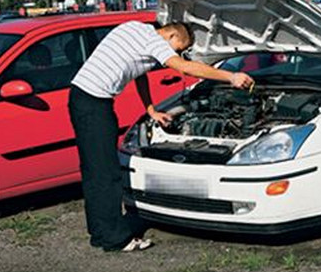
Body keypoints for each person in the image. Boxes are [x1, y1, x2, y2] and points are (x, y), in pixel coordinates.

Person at [68, 21, 254, 252]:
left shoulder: (134, 28)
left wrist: (151, 110)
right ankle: (115, 238)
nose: (175, 53)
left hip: (82, 98)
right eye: (178, 48)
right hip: (94, 104)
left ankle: (100, 232)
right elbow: (184, 68)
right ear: (172, 35)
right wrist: (230, 76)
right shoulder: (153, 40)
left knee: (95, 170)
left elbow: (139, 73)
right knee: (106, 172)